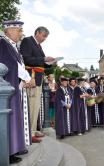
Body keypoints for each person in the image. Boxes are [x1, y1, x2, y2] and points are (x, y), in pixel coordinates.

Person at [0, 20, 33, 164]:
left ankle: (16, 146)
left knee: (15, 117)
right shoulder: (3, 44)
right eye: (18, 30)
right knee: (10, 118)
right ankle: (7, 152)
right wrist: (27, 78)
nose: (20, 33)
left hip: (14, 85)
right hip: (7, 87)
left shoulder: (12, 45)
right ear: (9, 30)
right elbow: (11, 64)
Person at [20, 26, 55, 143]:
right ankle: (29, 133)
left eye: (46, 37)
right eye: (44, 36)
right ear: (37, 33)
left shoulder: (38, 46)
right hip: (31, 79)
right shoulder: (27, 41)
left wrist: (49, 63)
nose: (44, 39)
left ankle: (33, 130)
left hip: (38, 79)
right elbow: (26, 59)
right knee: (31, 107)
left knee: (36, 107)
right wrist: (44, 58)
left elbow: (41, 62)